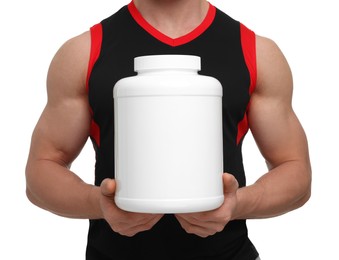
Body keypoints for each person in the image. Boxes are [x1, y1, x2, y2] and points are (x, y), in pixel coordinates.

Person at [25, 0, 312, 259]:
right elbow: (42, 171)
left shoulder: (256, 51)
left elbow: (295, 172)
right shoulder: (84, 52)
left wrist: (237, 205)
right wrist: (98, 204)